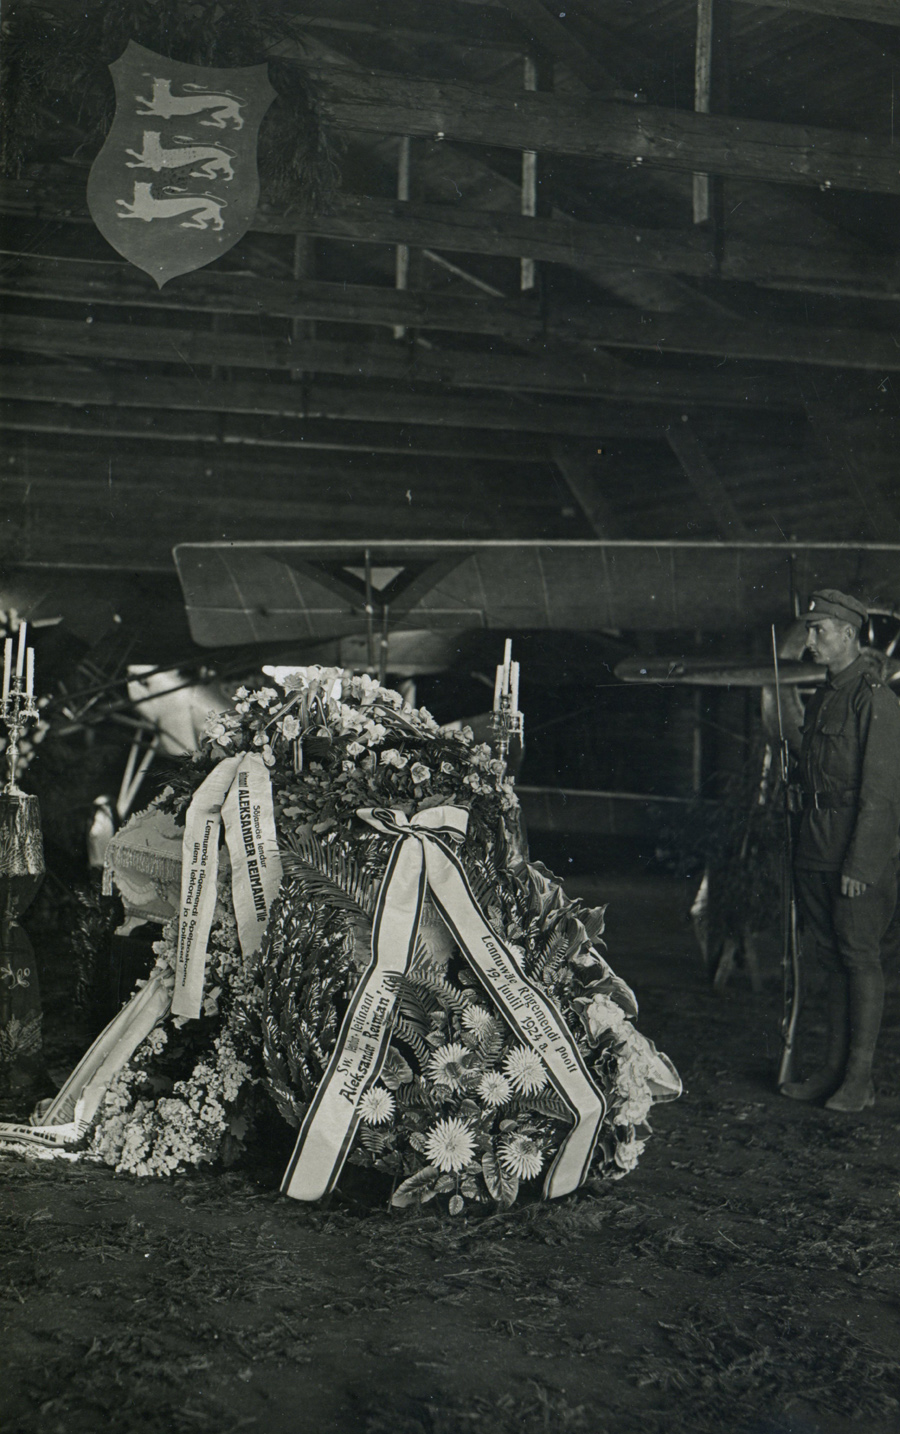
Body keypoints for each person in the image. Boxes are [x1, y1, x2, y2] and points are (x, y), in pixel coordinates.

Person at [781, 589, 900, 1112]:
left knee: (858, 957)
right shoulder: (824, 696)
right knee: (830, 960)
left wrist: (862, 864)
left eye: (819, 630)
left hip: (853, 854)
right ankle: (831, 1071)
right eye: (810, 630)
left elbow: (882, 794)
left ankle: (858, 1079)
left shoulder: (874, 699)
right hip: (815, 846)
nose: (810, 639)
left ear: (848, 634)